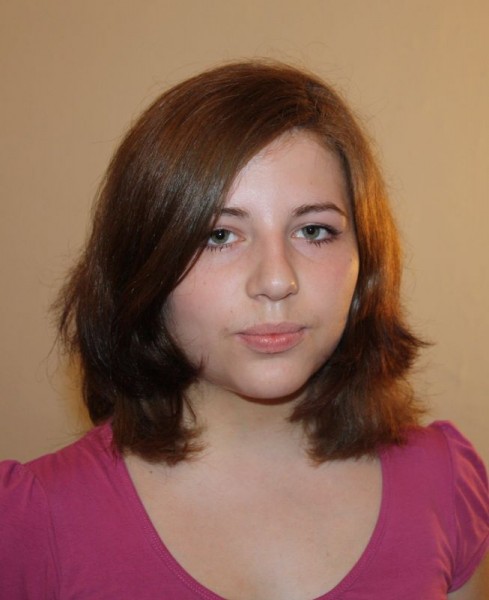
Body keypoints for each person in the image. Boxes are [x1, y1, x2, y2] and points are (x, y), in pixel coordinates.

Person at [1, 61, 488, 600]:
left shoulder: (445, 483)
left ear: (364, 259)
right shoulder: (32, 522)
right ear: (143, 265)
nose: (276, 280)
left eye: (314, 230)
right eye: (218, 236)